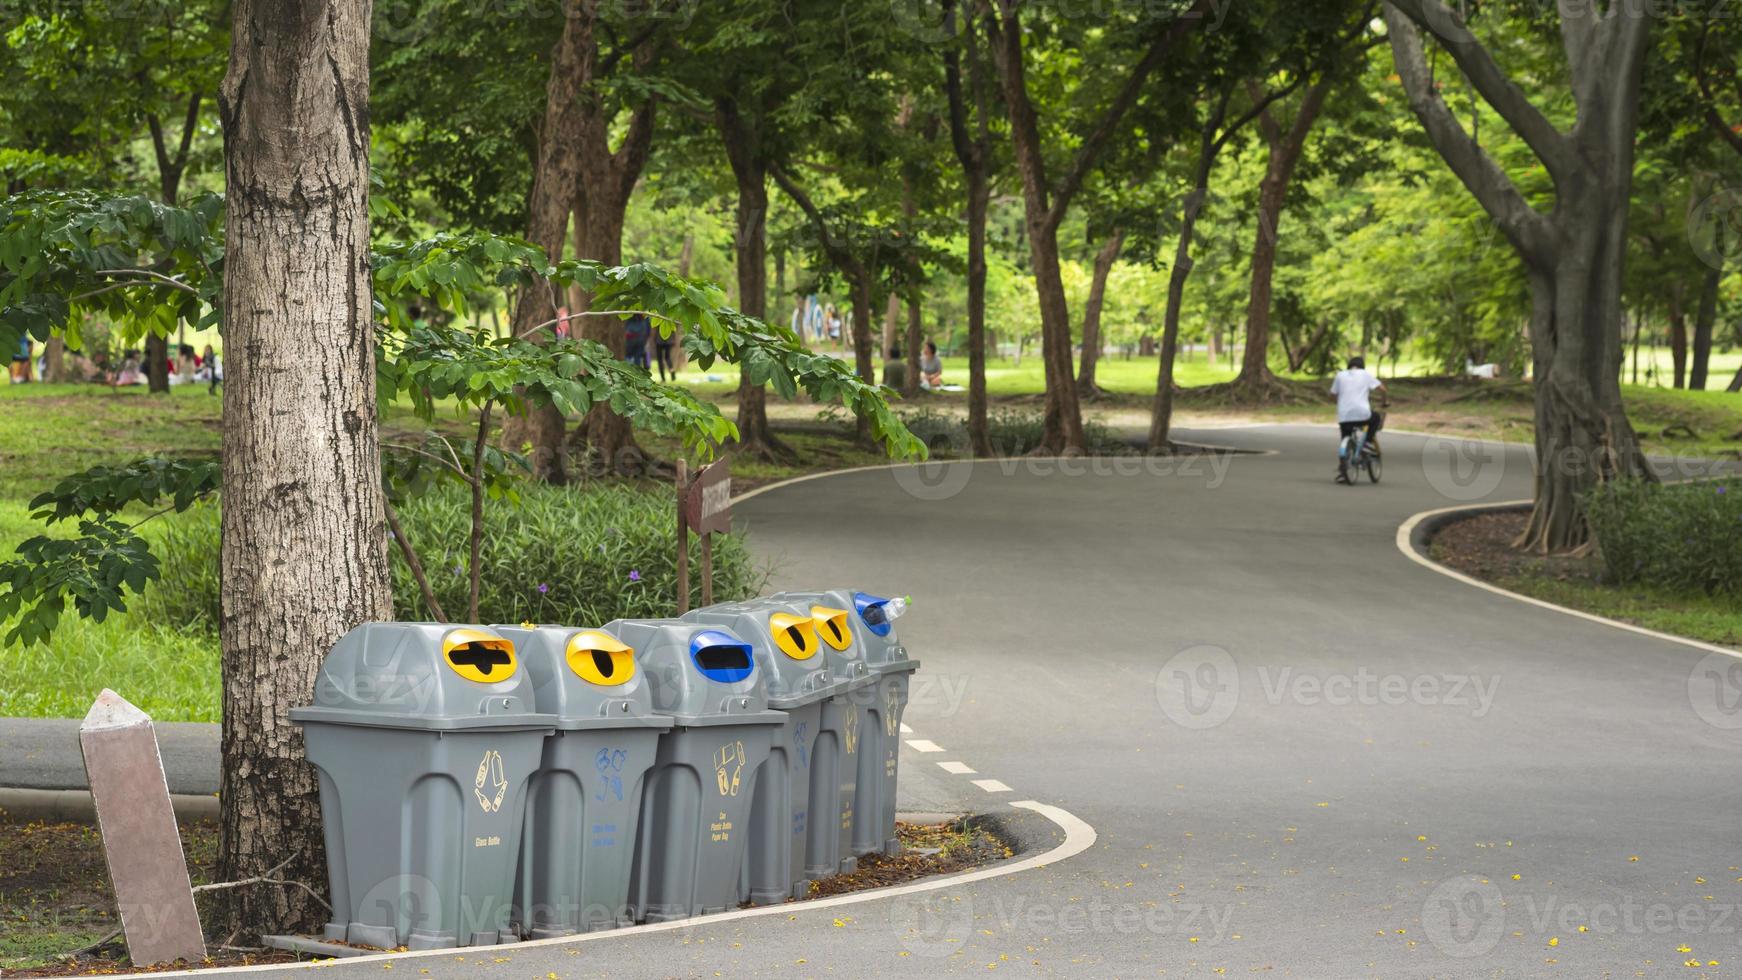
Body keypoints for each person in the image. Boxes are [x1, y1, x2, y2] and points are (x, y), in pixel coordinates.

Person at [1330, 354, 1386, 483]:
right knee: (1376, 417)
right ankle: (1367, 442)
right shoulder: (1365, 374)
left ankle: (1343, 471)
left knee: (1345, 438)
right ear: (1362, 367)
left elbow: (1333, 394)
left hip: (1344, 416)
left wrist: (1340, 402)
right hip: (1362, 414)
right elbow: (1383, 389)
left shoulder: (1340, 375)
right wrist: (1384, 402)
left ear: (1349, 366)